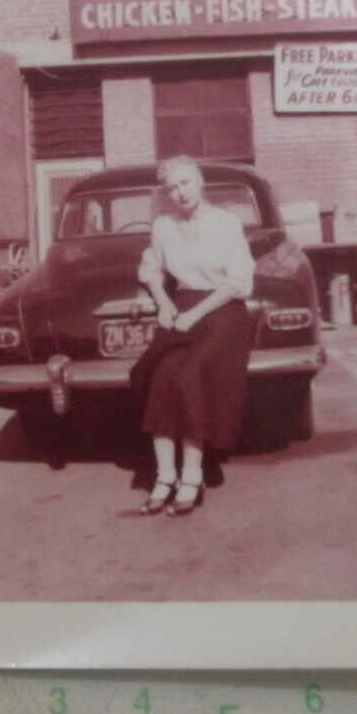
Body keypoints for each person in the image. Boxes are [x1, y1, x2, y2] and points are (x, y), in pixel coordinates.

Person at [129, 155, 256, 516]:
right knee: (160, 378)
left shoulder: (226, 223)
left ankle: (192, 475)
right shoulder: (163, 226)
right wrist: (165, 303)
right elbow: (151, 269)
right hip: (182, 307)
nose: (179, 193)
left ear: (200, 182)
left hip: (222, 310)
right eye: (172, 188)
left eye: (185, 183)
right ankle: (164, 477)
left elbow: (238, 283)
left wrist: (193, 315)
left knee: (189, 376)